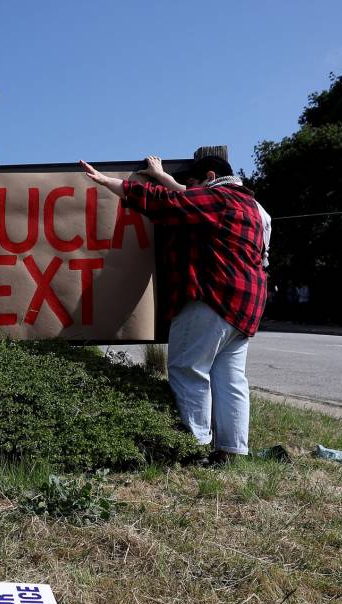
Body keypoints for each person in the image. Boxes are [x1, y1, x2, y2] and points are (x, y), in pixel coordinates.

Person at [80, 154, 267, 463]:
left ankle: (194, 447)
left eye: (194, 183)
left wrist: (112, 183)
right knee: (230, 379)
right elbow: (188, 196)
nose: (190, 189)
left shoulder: (218, 198)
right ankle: (234, 452)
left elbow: (172, 203)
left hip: (211, 297)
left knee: (188, 369)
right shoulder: (247, 204)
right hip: (245, 305)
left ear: (209, 176)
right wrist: (164, 176)